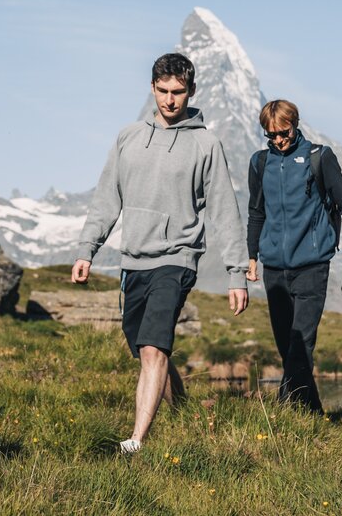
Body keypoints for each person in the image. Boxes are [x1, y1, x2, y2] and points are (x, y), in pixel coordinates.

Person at [70, 52, 249, 455]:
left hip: (177, 257)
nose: (170, 100)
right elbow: (106, 199)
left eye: (179, 92)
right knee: (145, 347)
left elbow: (224, 211)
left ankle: (135, 443)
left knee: (154, 347)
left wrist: (237, 274)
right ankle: (184, 412)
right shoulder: (128, 137)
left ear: (191, 92)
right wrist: (87, 250)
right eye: (164, 91)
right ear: (152, 88)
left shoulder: (206, 144)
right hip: (134, 260)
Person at [244, 100, 342, 413]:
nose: (278, 140)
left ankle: (283, 413)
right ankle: (313, 412)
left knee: (301, 344)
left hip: (312, 265)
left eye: (283, 133)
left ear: (295, 125)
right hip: (273, 268)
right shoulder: (260, 163)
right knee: (287, 347)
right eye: (271, 136)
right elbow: (256, 212)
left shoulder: (319, 158)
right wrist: (252, 254)